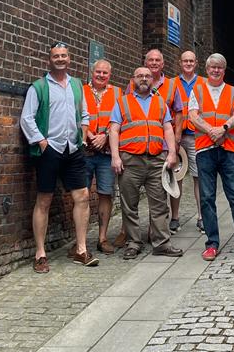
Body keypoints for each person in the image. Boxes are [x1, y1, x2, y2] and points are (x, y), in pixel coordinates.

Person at [20, 42, 98, 271]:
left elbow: (84, 113)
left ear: (69, 59)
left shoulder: (76, 85)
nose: (60, 59)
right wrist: (42, 143)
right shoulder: (39, 87)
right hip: (50, 150)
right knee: (44, 200)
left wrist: (83, 134)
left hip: (73, 149)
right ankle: (40, 254)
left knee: (82, 196)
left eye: (64, 56)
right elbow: (27, 118)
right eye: (56, 56)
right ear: (49, 60)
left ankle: (81, 249)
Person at [188, 53, 234, 260]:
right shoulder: (197, 89)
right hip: (204, 149)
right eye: (212, 66)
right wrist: (211, 131)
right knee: (207, 198)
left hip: (227, 148)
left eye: (220, 67)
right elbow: (192, 115)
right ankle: (212, 243)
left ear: (224, 69)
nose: (216, 70)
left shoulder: (233, 91)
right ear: (207, 68)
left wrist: (223, 128)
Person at [109, 66, 183, 259]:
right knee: (129, 205)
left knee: (159, 204)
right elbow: (114, 130)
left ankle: (161, 243)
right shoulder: (123, 102)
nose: (144, 79)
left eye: (147, 76)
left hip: (156, 159)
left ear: (152, 79)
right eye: (140, 76)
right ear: (133, 79)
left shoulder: (160, 102)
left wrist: (172, 153)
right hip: (130, 160)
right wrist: (115, 157)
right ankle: (133, 243)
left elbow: (167, 129)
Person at [81, 59, 121, 254]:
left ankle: (102, 238)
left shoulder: (117, 93)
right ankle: (79, 241)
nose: (101, 75)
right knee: (82, 195)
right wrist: (90, 136)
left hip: (106, 153)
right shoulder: (81, 91)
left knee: (106, 193)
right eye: (98, 72)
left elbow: (119, 119)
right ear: (92, 72)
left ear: (109, 75)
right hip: (86, 151)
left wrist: (104, 136)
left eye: (105, 73)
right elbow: (77, 115)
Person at [169, 50, 203, 233]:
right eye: (185, 61)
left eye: (191, 61)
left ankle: (201, 216)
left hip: (198, 136)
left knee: (199, 176)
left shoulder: (203, 83)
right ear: (179, 63)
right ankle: (174, 217)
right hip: (178, 137)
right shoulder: (172, 83)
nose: (188, 64)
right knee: (177, 176)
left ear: (196, 63)